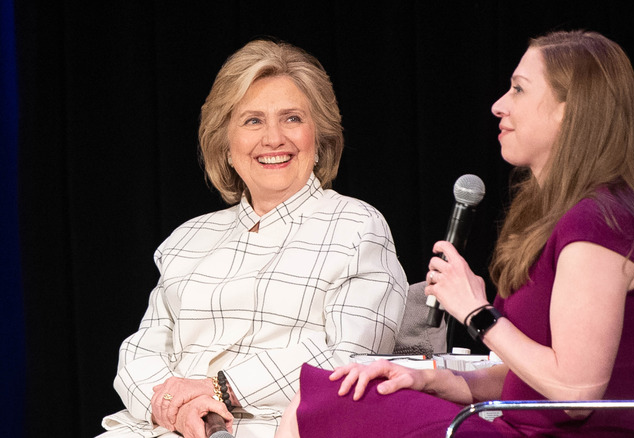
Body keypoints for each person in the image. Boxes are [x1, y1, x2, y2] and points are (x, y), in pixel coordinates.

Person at [274, 29, 634, 438]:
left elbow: (575, 393)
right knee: (333, 393)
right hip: (509, 426)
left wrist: (478, 313)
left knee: (316, 404)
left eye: (518, 89)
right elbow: (528, 380)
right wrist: (430, 379)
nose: (499, 105)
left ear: (568, 109)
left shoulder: (599, 227)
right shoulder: (580, 218)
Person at [98, 40, 408, 438]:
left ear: (320, 139)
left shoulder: (357, 225)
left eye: (292, 118)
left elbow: (348, 358)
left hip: (275, 427)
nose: (274, 138)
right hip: (162, 428)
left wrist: (219, 390)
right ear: (226, 146)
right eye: (253, 121)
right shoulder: (188, 238)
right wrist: (173, 408)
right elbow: (140, 354)